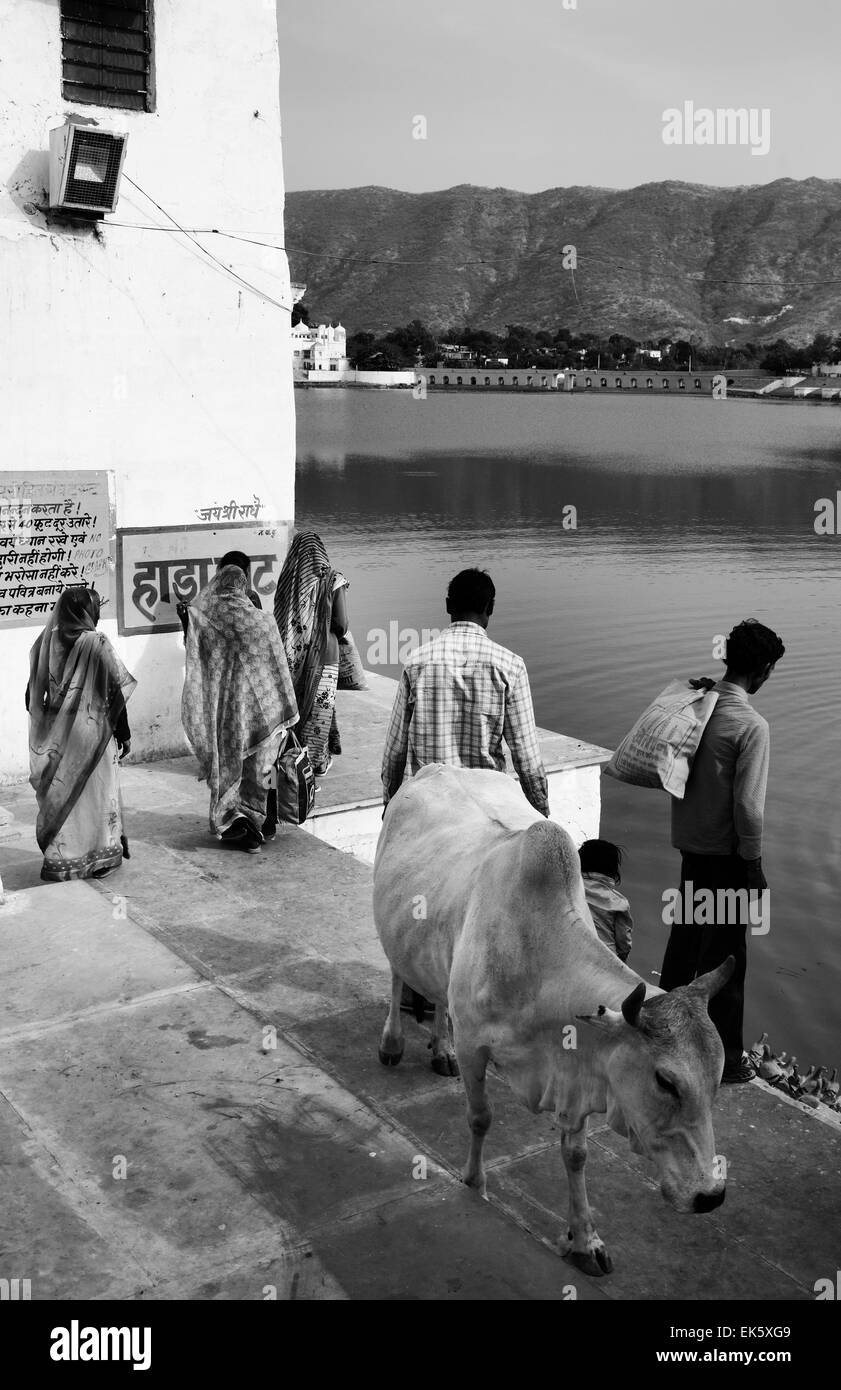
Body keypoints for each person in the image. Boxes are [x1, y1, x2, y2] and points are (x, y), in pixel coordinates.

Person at [659, 618, 785, 1084]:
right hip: (726, 857)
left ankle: (663, 1033)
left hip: (692, 849)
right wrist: (753, 864)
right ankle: (728, 1059)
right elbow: (748, 807)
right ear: (765, 669)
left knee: (686, 942)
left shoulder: (697, 707)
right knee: (728, 958)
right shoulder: (751, 725)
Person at [381, 568, 549, 816]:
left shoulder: (416, 662)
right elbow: (527, 757)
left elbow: (395, 751)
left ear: (448, 606)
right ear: (490, 608)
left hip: (427, 806)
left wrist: (390, 806)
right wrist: (541, 812)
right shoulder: (510, 666)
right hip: (484, 808)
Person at [181, 563, 298, 853]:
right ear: (244, 586)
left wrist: (188, 618)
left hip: (230, 712)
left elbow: (197, 654)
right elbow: (279, 667)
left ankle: (241, 825)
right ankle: (264, 825)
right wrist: (287, 706)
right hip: (267, 710)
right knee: (264, 770)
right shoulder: (265, 621)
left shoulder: (210, 620)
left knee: (234, 768)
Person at [26, 585, 135, 882]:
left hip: (57, 741)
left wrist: (54, 723)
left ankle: (64, 860)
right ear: (87, 612)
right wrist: (123, 733)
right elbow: (114, 690)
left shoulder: (45, 642)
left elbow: (31, 697)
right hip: (92, 735)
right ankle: (101, 858)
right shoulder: (96, 642)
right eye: (95, 607)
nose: (97, 613)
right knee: (98, 795)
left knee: (63, 796)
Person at [273, 532, 349, 776]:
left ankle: (291, 752)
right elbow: (341, 624)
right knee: (321, 707)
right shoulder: (332, 580)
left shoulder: (287, 580)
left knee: (299, 705)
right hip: (324, 655)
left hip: (292, 656)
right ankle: (315, 761)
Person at [579, 839, 633, 962]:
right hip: (606, 962)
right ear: (613, 870)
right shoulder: (618, 902)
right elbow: (623, 943)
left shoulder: (569, 890)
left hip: (573, 957)